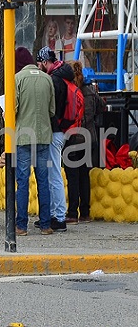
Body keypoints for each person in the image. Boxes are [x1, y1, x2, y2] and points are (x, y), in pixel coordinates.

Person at [14, 47, 54, 235]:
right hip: (44, 137)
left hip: (23, 138)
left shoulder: (18, 79)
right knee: (43, 181)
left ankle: (21, 226)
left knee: (23, 181)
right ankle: (45, 224)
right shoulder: (47, 79)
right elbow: (52, 111)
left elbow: (13, 109)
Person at [37, 46, 74, 232]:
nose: (38, 67)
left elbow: (52, 109)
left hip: (55, 131)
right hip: (62, 130)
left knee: (54, 175)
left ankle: (58, 217)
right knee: (54, 174)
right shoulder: (63, 76)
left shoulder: (54, 80)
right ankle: (54, 214)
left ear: (45, 62)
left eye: (39, 63)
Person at [64, 61, 104, 223]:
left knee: (72, 176)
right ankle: (85, 212)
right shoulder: (90, 90)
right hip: (89, 138)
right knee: (84, 175)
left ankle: (72, 213)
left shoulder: (70, 91)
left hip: (74, 139)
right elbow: (101, 107)